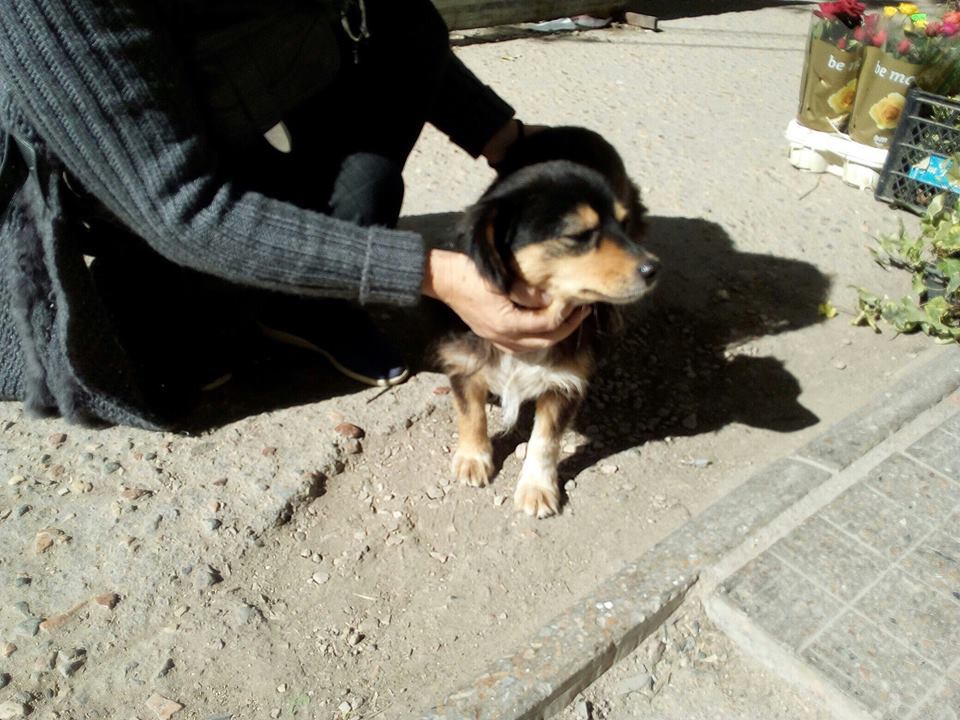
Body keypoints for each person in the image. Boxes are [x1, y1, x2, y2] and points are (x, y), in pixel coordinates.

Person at [0, 0, 589, 429]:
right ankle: (181, 300)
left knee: (409, 32)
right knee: (186, 358)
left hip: (235, 88)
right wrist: (432, 273)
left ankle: (308, 301)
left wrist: (502, 137)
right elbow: (180, 207)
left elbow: (380, 16)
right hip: (118, 170)